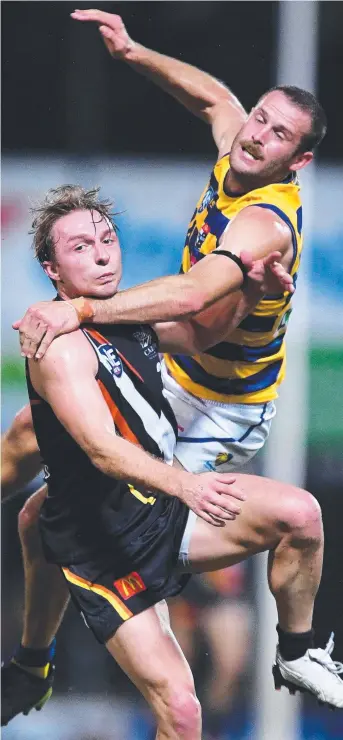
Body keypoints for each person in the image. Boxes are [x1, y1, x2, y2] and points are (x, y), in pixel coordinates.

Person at [2, 186, 343, 739]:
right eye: (82, 247)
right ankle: (30, 665)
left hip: (158, 512)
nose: (103, 254)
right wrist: (187, 486)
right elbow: (101, 449)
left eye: (108, 240)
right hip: (104, 549)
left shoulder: (124, 313)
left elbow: (201, 330)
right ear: (52, 269)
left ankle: (298, 653)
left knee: (302, 517)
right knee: (183, 713)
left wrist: (250, 295)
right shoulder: (58, 346)